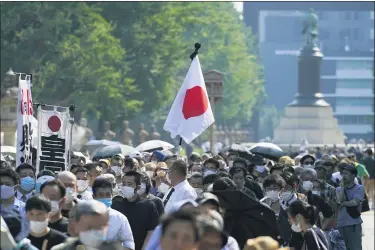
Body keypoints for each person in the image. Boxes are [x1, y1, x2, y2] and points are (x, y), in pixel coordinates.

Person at [112, 171, 160, 250]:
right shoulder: (116, 205)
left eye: (129, 184)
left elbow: (151, 231)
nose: (125, 186)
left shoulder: (149, 205)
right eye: (124, 184)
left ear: (137, 187)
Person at [92, 177, 135, 249]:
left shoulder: (120, 218)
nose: (105, 197)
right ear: (94, 196)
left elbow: (128, 241)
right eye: (101, 195)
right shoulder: (84, 216)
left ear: (112, 195)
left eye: (108, 194)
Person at [335, 163, 365, 250]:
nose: (343, 176)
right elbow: (339, 201)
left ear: (353, 176)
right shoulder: (338, 189)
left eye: (346, 174)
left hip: (353, 224)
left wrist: (344, 204)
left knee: (355, 248)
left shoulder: (360, 188)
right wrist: (342, 188)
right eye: (343, 173)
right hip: (340, 224)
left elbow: (355, 202)